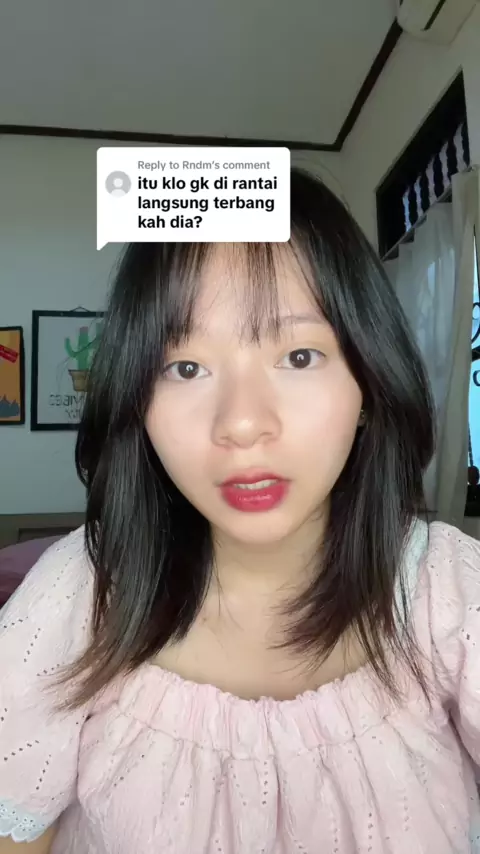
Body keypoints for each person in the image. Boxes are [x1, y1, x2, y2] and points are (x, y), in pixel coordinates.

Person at [1, 169, 479, 854]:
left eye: (300, 355)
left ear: (369, 384)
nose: (242, 423)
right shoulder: (78, 592)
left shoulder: (449, 591)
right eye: (185, 368)